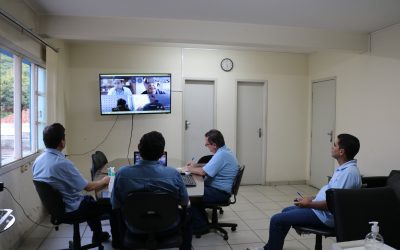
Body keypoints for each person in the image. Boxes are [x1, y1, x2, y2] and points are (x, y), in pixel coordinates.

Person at [247, 133, 362, 250]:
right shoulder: (345, 169)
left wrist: (309, 204)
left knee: (276, 220)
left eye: (334, 145)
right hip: (321, 211)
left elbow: (333, 204)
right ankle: (272, 247)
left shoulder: (349, 173)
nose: (331, 147)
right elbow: (331, 196)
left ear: (341, 152)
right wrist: (310, 199)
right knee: (285, 211)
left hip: (325, 217)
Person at [32, 123, 115, 245]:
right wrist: (105, 180)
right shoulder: (62, 163)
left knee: (89, 200)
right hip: (71, 210)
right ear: (62, 142)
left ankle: (98, 234)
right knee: (112, 205)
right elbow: (88, 187)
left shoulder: (38, 160)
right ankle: (117, 240)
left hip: (55, 209)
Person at [110, 131, 192, 250]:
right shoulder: (173, 174)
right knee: (189, 215)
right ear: (162, 153)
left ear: (139, 149)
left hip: (133, 226)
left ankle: (118, 245)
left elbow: (115, 205)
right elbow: (184, 202)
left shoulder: (122, 174)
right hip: (168, 226)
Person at [184, 129, 239, 233]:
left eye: (207, 145)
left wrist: (189, 169)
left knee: (190, 194)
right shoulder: (224, 151)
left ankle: (201, 225)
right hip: (220, 189)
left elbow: (203, 173)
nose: (207, 147)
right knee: (194, 190)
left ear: (214, 144)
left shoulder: (221, 155)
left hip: (220, 192)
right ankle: (202, 221)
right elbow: (211, 166)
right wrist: (196, 165)